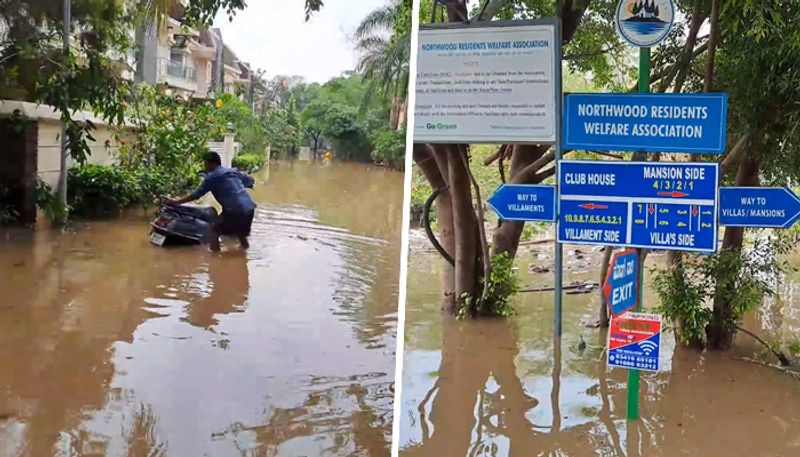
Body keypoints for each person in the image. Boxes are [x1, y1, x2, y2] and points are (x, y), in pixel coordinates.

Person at [166, 151, 256, 251]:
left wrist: (176, 202)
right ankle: (243, 254)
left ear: (210, 163)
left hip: (234, 210)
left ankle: (215, 259)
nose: (204, 166)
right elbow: (249, 180)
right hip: (249, 209)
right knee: (240, 233)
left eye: (205, 163)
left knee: (215, 229)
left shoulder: (212, 178)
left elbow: (196, 195)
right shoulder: (233, 171)